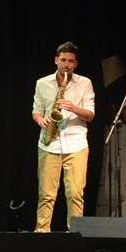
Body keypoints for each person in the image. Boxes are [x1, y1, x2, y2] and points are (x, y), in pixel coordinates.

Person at [31, 41, 96, 232]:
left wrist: (73, 107)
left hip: (76, 143)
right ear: (56, 60)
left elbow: (90, 115)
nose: (66, 64)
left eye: (70, 61)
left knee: (75, 194)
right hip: (49, 143)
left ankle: (75, 236)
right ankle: (41, 235)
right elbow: (36, 111)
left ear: (76, 64)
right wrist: (41, 120)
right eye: (63, 60)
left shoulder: (85, 83)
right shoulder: (42, 83)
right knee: (46, 195)